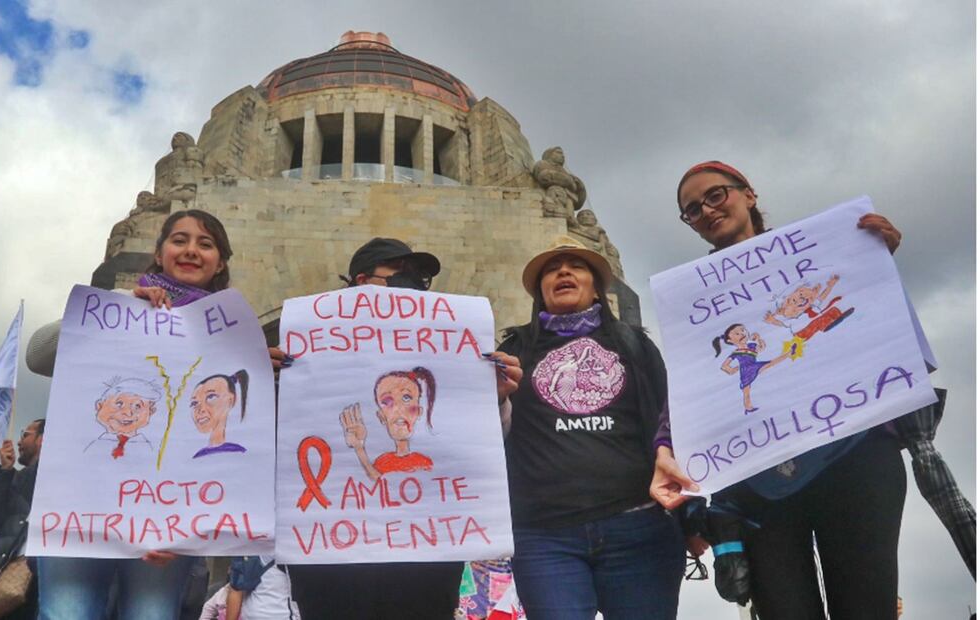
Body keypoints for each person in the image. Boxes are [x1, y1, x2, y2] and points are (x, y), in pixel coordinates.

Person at [651, 160, 905, 619]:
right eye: (692, 209)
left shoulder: (831, 254)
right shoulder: (694, 305)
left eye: (715, 195)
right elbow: (691, 388)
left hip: (856, 459)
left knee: (869, 606)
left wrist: (874, 264)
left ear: (749, 194)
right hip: (761, 483)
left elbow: (869, 327)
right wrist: (664, 445)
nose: (706, 210)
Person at [283, 237, 522, 620]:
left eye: (420, 281)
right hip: (333, 555)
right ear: (362, 282)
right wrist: (267, 380)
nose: (412, 288)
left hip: (425, 555)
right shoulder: (309, 351)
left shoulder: (443, 350)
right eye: (399, 277)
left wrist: (492, 398)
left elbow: (470, 449)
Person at [27, 209, 238, 619]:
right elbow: (38, 354)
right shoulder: (115, 310)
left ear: (221, 262)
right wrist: (122, 302)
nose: (192, 250)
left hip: (167, 524)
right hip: (82, 508)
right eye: (180, 240)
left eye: (205, 244)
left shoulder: (232, 338)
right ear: (160, 254)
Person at [495, 236, 685, 620]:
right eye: (552, 268)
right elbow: (493, 438)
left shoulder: (636, 345)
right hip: (544, 537)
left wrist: (692, 515)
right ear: (539, 290)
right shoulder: (513, 352)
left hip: (639, 529)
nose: (563, 271)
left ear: (597, 285)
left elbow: (671, 421)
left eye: (576, 265)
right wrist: (498, 397)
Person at [0, 418, 45, 619]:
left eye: (26, 434)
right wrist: (2, 472)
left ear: (42, 440)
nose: (19, 441)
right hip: (8, 577)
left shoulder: (47, 478)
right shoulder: (13, 478)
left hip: (38, 581)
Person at [340, 366, 437, 479]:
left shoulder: (424, 463)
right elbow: (377, 484)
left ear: (419, 412)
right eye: (387, 401)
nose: (397, 408)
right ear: (381, 416)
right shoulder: (382, 463)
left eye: (406, 398)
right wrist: (359, 447)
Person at [85, 377, 162, 459]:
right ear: (100, 406)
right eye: (119, 404)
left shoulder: (149, 449)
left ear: (150, 412)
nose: (128, 413)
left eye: (137, 406)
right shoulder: (94, 446)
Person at [189, 371, 249, 458]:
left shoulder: (239, 452)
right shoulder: (198, 456)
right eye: (194, 403)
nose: (200, 410)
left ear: (231, 400)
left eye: (211, 397)